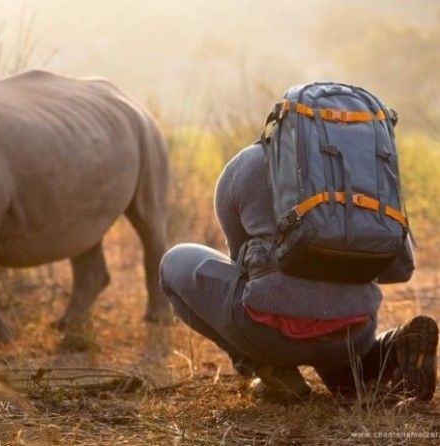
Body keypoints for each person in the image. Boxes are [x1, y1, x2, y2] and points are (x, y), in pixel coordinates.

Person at [159, 143, 438, 402]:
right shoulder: (367, 168)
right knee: (346, 380)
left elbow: (239, 265)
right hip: (353, 333)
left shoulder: (245, 165)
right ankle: (391, 347)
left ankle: (269, 369)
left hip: (268, 334)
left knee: (173, 262)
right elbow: (401, 269)